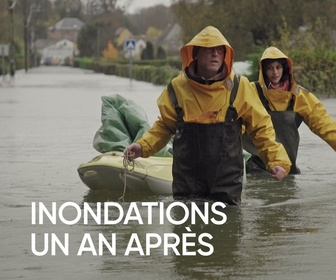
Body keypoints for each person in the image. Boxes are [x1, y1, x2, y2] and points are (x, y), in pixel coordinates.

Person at [126, 26, 291, 205]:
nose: (215, 54)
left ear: (225, 55)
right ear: (195, 53)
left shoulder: (239, 86)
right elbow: (165, 126)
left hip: (227, 186)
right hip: (186, 184)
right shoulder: (176, 88)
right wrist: (143, 147)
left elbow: (261, 128)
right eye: (209, 49)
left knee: (227, 229)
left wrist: (277, 160)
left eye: (220, 50)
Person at [243, 46, 336, 174]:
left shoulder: (299, 95)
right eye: (269, 68)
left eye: (278, 67)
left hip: (287, 167)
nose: (275, 72)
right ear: (263, 71)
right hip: (255, 166)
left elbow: (324, 124)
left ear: (285, 68)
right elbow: (236, 120)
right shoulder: (251, 90)